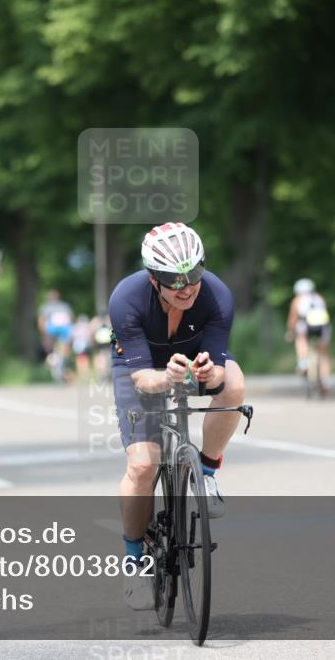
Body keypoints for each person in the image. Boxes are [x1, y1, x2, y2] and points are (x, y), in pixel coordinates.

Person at [109, 222, 245, 610]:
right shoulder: (126, 299)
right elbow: (140, 378)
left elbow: (218, 369)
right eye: (174, 280)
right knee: (142, 466)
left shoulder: (217, 295)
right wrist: (166, 376)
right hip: (140, 369)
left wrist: (210, 373)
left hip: (193, 356)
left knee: (234, 384)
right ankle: (134, 561)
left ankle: (206, 472)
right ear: (154, 279)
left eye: (194, 275)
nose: (186, 287)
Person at [286, 278, 332, 390]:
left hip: (306, 326)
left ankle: (303, 362)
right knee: (323, 354)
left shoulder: (297, 300)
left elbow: (292, 319)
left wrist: (291, 332)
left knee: (300, 340)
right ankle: (325, 381)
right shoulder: (319, 298)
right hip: (323, 327)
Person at [38, 288, 74, 383]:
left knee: (52, 351)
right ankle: (61, 367)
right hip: (64, 330)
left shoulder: (45, 307)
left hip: (52, 330)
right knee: (63, 352)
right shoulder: (65, 306)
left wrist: (44, 335)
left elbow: (41, 322)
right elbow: (70, 320)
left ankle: (56, 367)